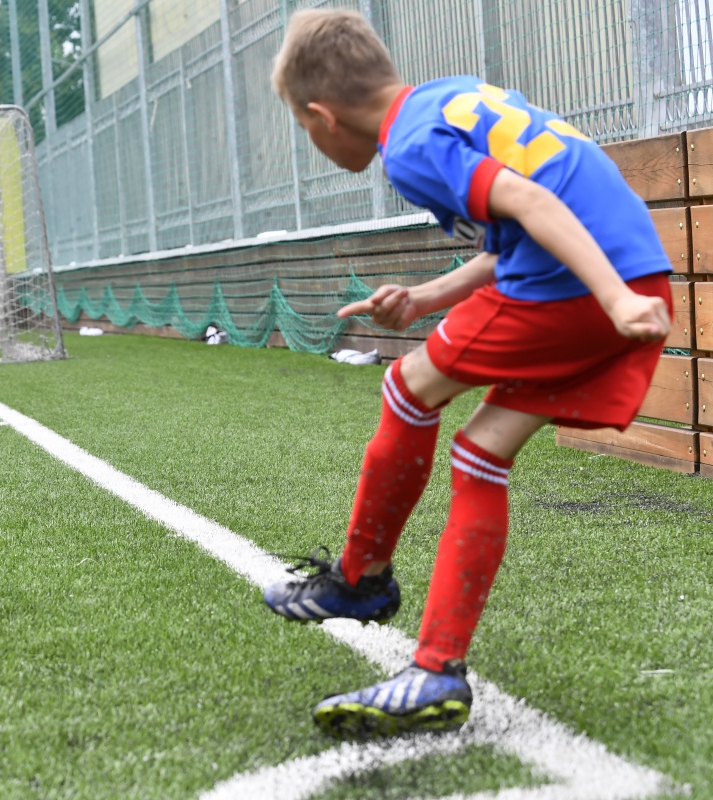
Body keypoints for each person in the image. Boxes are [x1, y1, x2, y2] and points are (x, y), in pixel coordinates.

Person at [264, 9, 672, 740]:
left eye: (304, 129)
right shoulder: (445, 98)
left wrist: (611, 297)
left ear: (323, 116)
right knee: (480, 450)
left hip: (581, 288)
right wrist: (426, 297)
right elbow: (518, 229)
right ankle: (437, 671)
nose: (313, 142)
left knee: (406, 385)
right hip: (619, 271)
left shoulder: (409, 148)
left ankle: (361, 579)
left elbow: (531, 202)